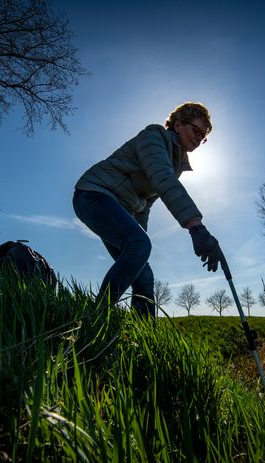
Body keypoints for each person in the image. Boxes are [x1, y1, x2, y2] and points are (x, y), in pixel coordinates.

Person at [72, 102, 222, 317]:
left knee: (144, 275)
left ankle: (143, 336)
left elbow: (145, 205)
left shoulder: (175, 164)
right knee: (139, 245)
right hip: (93, 194)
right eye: (195, 130)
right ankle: (95, 317)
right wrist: (196, 227)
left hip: (119, 207)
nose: (199, 138)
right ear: (178, 124)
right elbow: (162, 178)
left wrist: (139, 239)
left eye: (203, 136)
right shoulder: (154, 136)